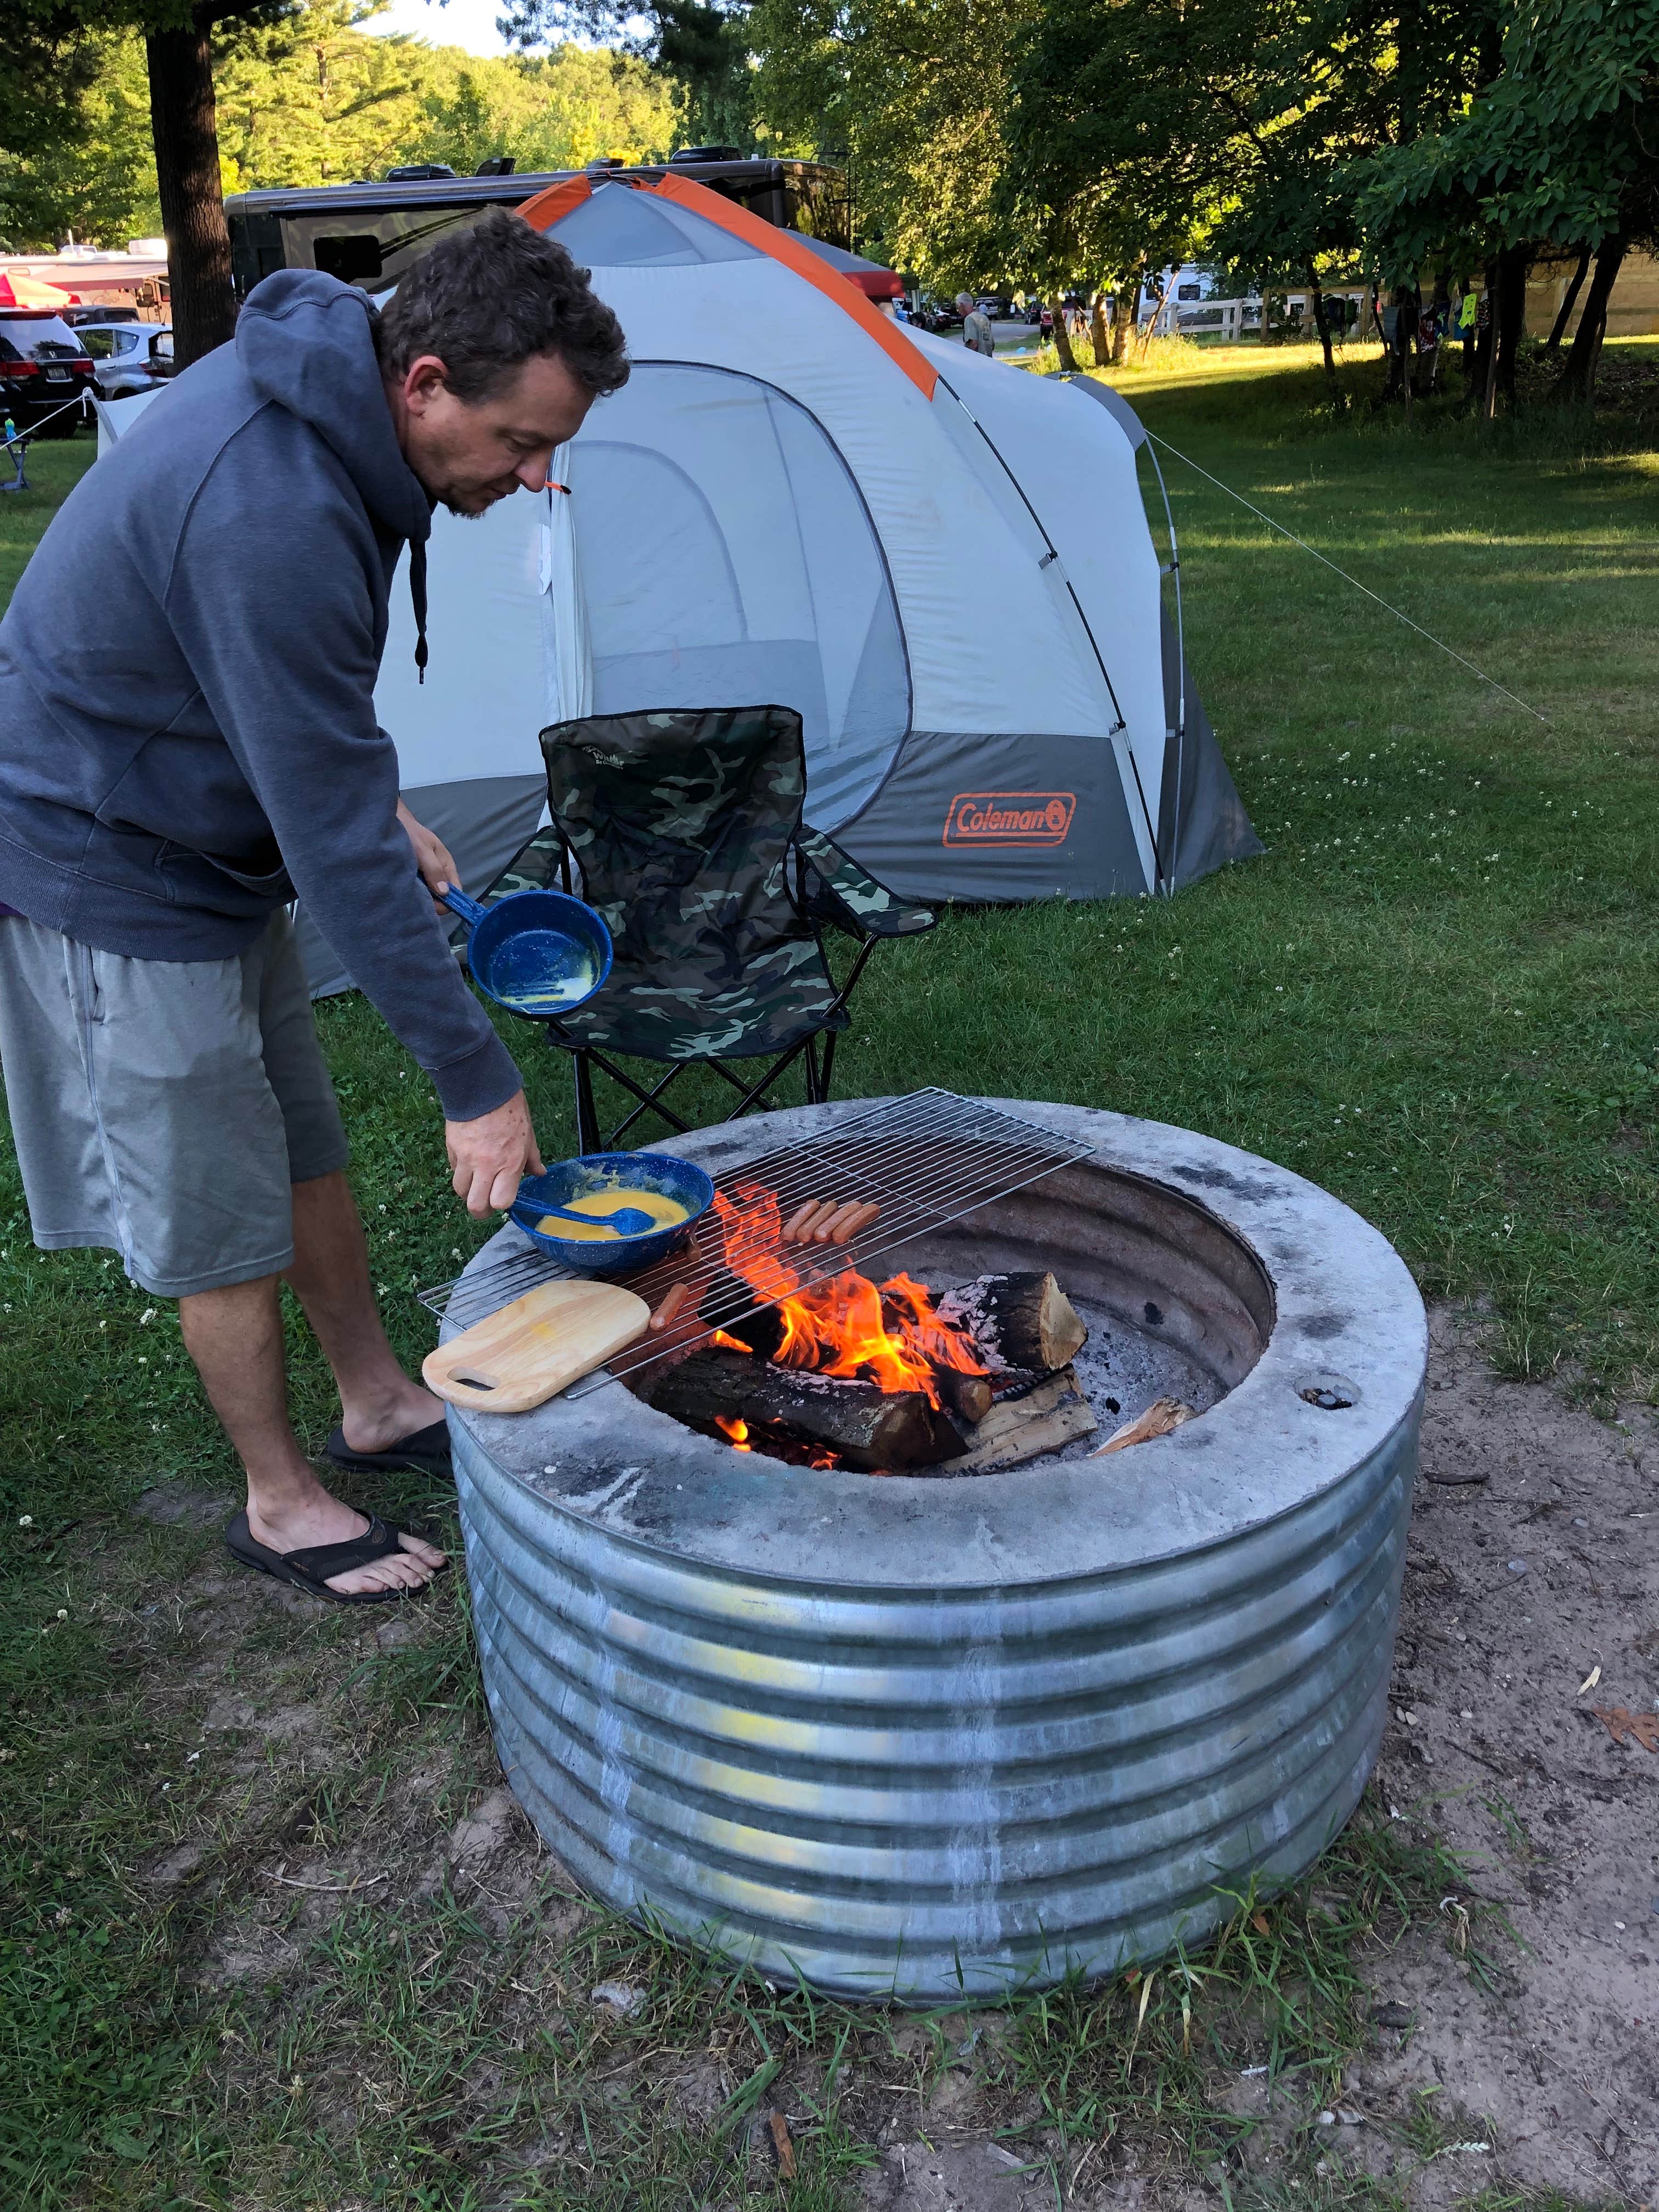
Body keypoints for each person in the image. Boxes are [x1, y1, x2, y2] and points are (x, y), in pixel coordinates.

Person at [0, 212, 629, 1605]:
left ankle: (378, 1402)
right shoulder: (274, 502)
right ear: (424, 385)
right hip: (106, 854)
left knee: (299, 1135)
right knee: (219, 1199)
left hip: (208, 823)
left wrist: (365, 806)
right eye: (522, 444)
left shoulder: (339, 405)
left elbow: (296, 725)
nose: (532, 479)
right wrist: (479, 1083)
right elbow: (334, 844)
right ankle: (281, 1503)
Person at [957, 292, 996, 358]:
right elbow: (992, 344)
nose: (958, 311)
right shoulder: (984, 318)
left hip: (977, 362)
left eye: (958, 308)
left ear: (962, 305)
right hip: (988, 360)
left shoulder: (969, 319)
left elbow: (973, 344)